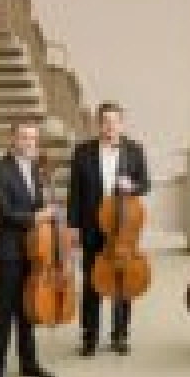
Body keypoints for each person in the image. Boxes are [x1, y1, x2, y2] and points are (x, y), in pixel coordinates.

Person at [68, 102, 151, 356]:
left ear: (122, 124)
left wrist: (132, 186)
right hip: (92, 225)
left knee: (123, 281)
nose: (110, 126)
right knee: (91, 281)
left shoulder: (134, 150)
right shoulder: (82, 151)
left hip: (123, 228)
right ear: (99, 124)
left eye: (115, 121)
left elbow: (146, 184)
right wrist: (73, 226)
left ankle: (120, 335)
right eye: (105, 121)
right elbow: (74, 192)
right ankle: (89, 337)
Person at [0, 121, 56, 377]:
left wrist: (48, 213)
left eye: (33, 138)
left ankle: (28, 363)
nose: (29, 142)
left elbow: (37, 206)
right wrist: (37, 217)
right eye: (24, 137)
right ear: (12, 139)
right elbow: (3, 212)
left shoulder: (36, 168)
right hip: (9, 250)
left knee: (28, 307)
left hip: (35, 248)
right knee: (5, 310)